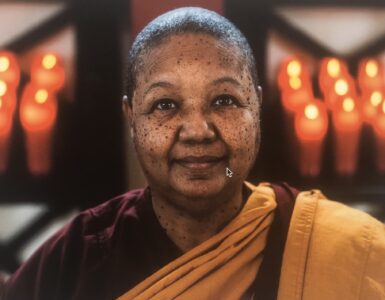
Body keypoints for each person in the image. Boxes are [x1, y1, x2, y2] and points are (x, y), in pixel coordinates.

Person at [1, 7, 385, 300]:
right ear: (131, 117)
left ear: (257, 107)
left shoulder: (340, 249)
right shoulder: (74, 263)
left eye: (224, 100)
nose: (198, 131)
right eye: (165, 105)